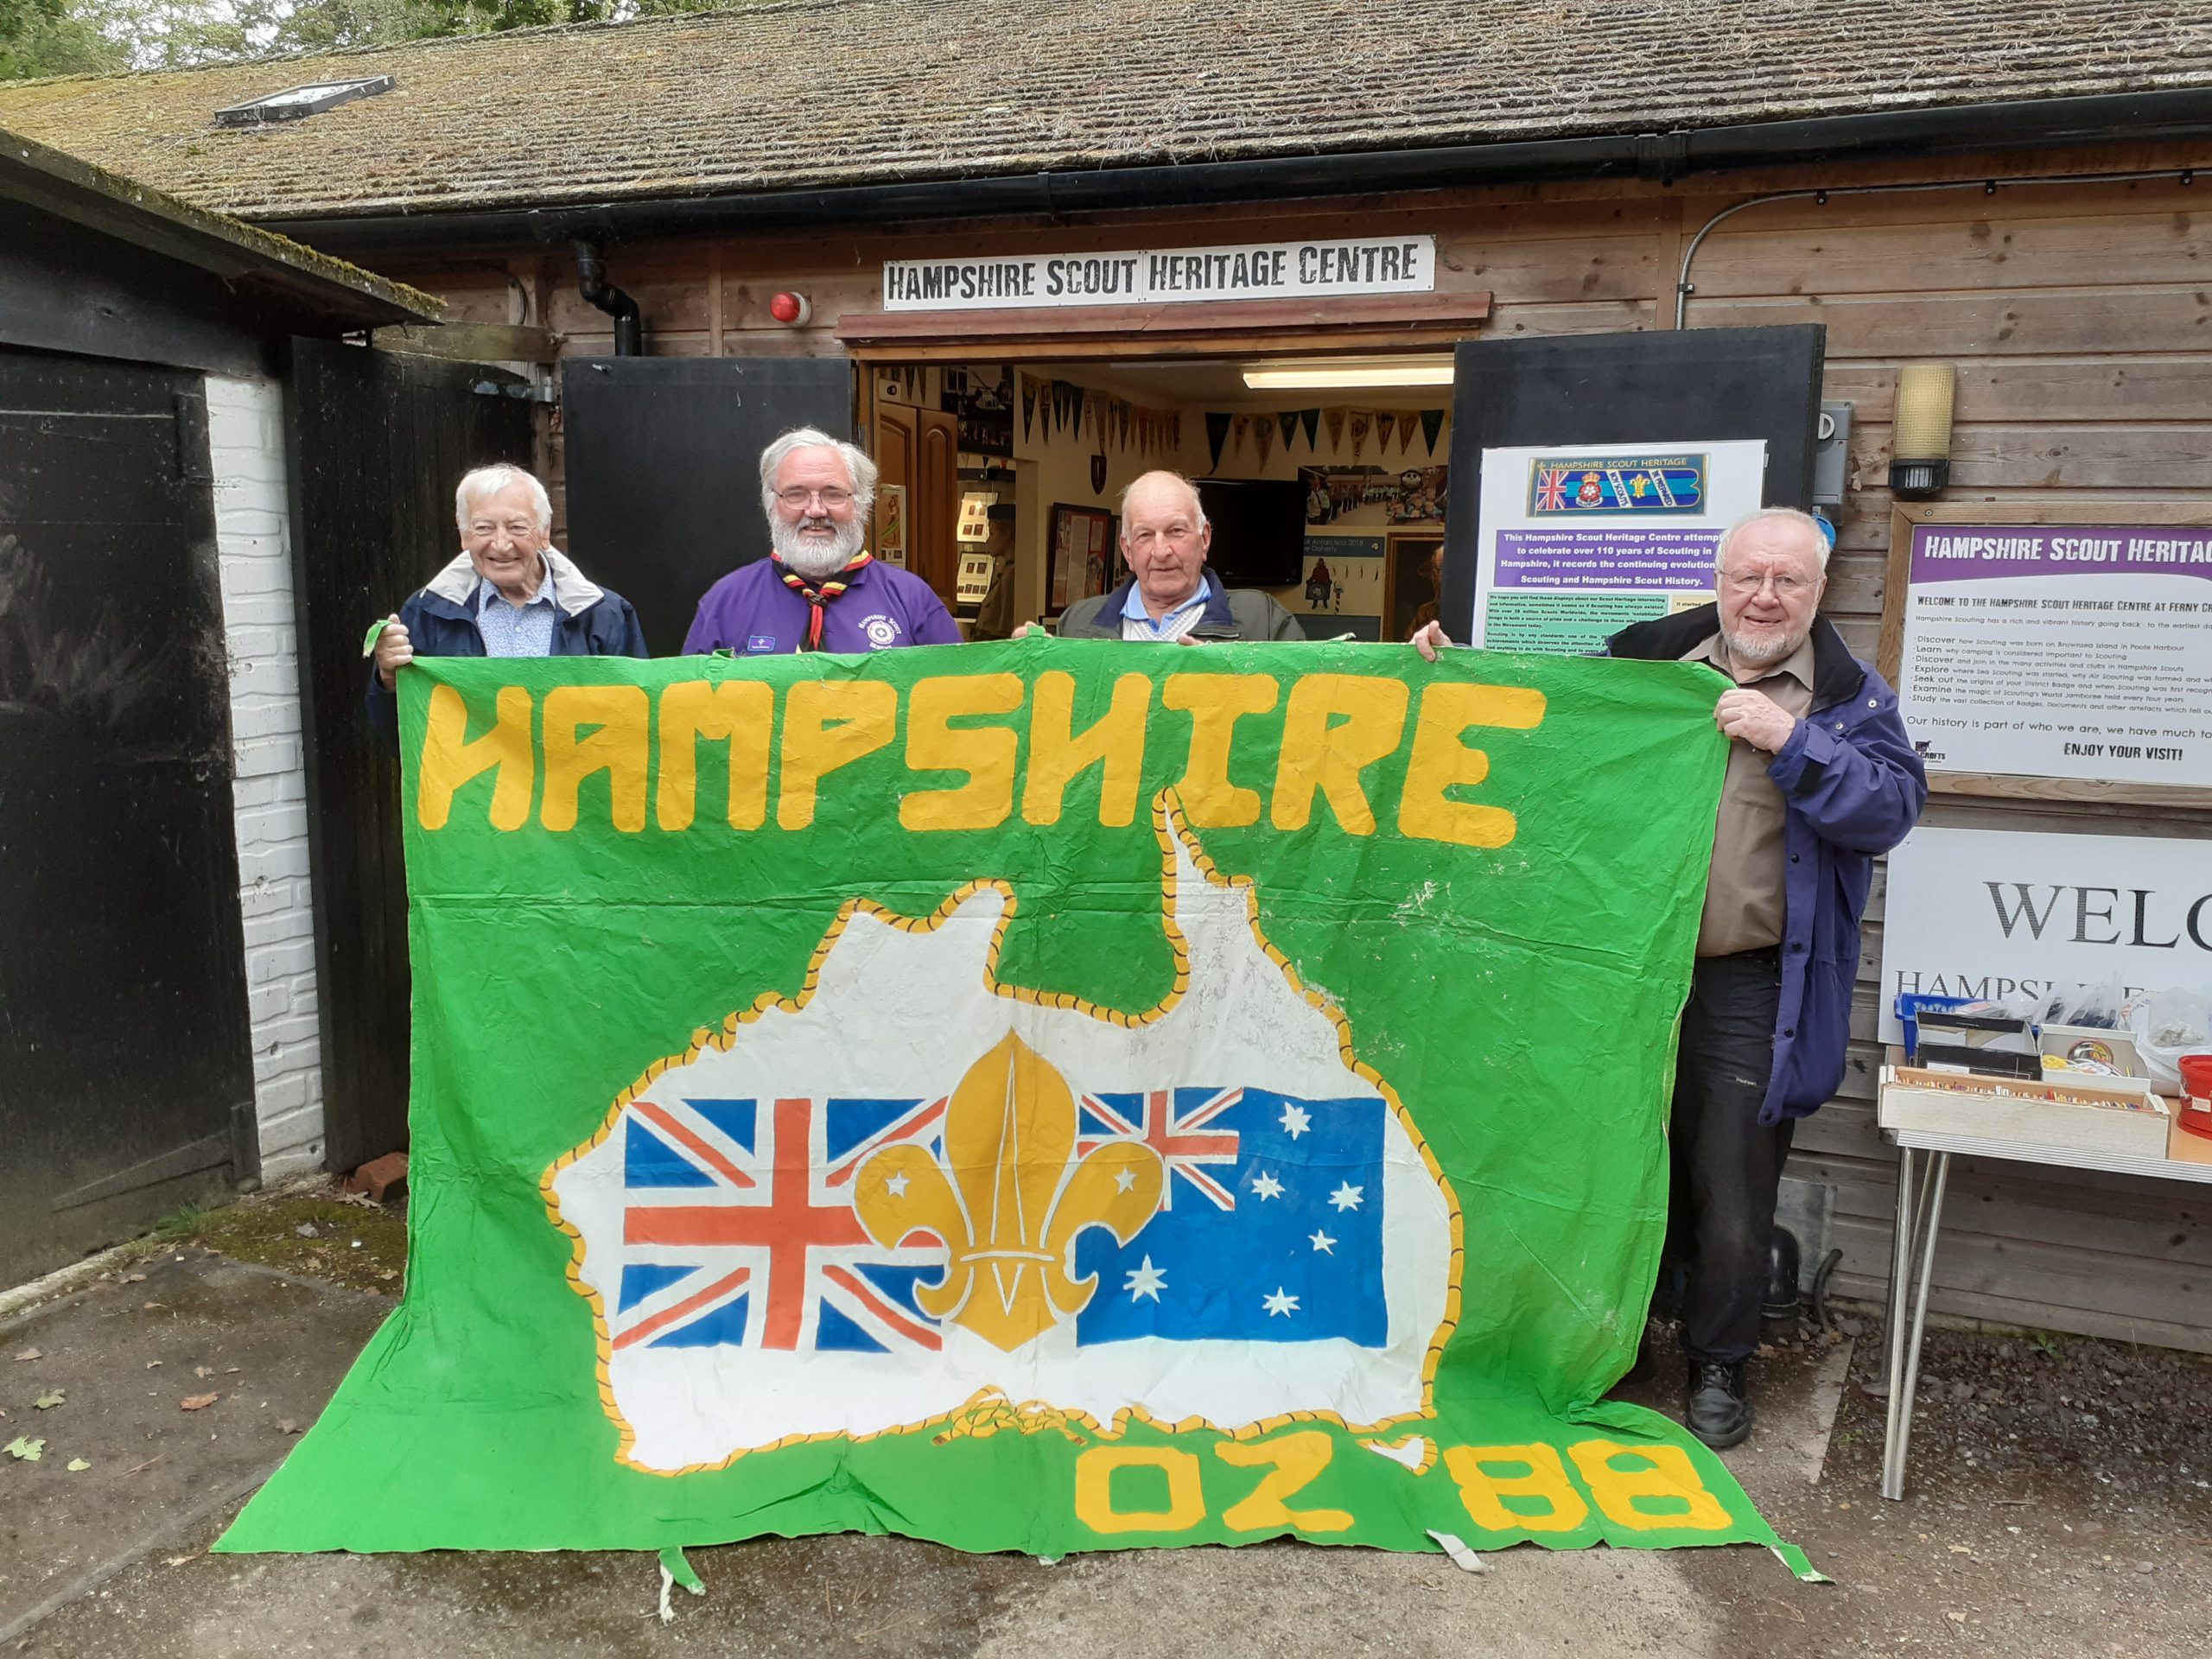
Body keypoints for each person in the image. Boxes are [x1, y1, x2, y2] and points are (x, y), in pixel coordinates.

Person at [1415, 507, 1925, 1446]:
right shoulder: (1648, 661)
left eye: (1788, 581)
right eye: (1747, 578)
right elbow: (1541, 721)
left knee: (1731, 1186)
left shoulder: (1848, 698)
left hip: (1747, 985)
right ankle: (1602, 1344)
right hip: (1617, 975)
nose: (1764, 597)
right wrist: (1452, 672)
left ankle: (1719, 1366)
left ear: (1820, 592)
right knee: (1602, 1156)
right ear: (1718, 580)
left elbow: (1890, 809)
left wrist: (1791, 741)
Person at [367, 463, 647, 736]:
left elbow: (637, 721)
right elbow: (404, 741)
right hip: (475, 783)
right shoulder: (427, 612)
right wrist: (389, 681)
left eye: (516, 527)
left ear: (544, 531)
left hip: (574, 783)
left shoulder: (604, 614)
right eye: (484, 528)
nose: (501, 545)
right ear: (464, 534)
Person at [684, 428, 960, 654]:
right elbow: (691, 704)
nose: (816, 511)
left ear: (862, 504)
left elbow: (956, 695)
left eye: (833, 494)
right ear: (772, 505)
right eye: (796, 494)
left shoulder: (913, 599)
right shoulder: (725, 601)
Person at [1051, 471, 1305, 641]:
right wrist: (1028, 665)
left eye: (1176, 531)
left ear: (1204, 539)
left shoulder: (1263, 621)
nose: (1161, 552)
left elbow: (1304, 708)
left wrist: (1219, 676)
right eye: (1145, 535)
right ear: (1127, 550)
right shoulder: (1076, 625)